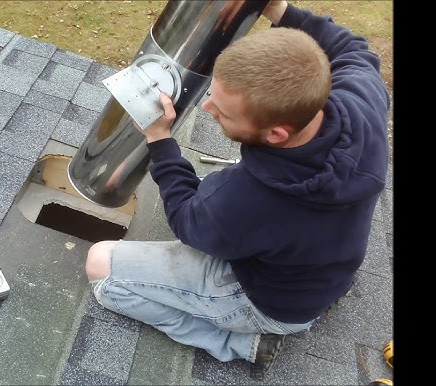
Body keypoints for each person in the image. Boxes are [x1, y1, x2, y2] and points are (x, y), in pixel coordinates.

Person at [85, 0, 390, 371]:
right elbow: (350, 47)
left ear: (276, 134)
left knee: (100, 266)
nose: (207, 106)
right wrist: (277, 8)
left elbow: (187, 220)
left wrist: (159, 139)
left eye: (223, 111)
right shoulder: (362, 99)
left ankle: (238, 343)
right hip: (322, 270)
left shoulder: (251, 199)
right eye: (213, 93)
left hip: (270, 302)